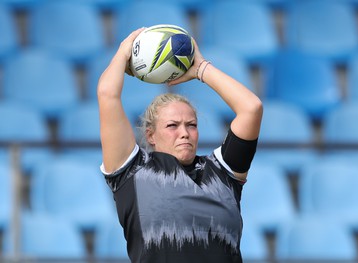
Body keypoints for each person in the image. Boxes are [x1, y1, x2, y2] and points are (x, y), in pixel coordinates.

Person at [97, 27, 263, 263]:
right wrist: (124, 53)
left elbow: (251, 108)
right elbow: (107, 94)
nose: (184, 133)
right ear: (150, 135)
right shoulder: (131, 172)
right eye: (172, 126)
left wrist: (201, 69)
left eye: (192, 125)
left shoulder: (223, 173)